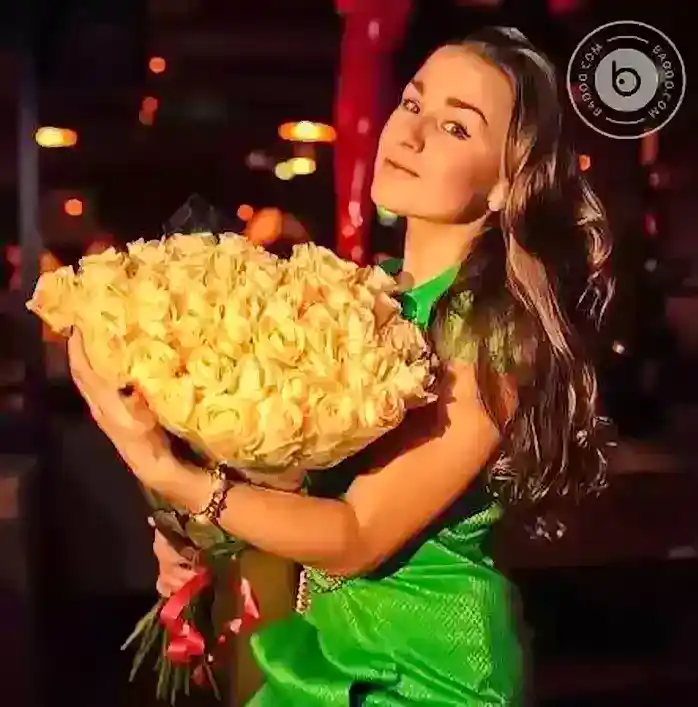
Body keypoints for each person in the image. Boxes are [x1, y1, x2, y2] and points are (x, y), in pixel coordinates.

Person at [68, 27, 613, 706]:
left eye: (455, 126)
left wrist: (172, 476)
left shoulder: (492, 330)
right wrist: (198, 532)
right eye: (411, 103)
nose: (411, 133)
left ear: (507, 183)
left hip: (421, 669)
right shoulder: (362, 296)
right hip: (319, 646)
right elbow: (289, 479)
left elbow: (354, 533)